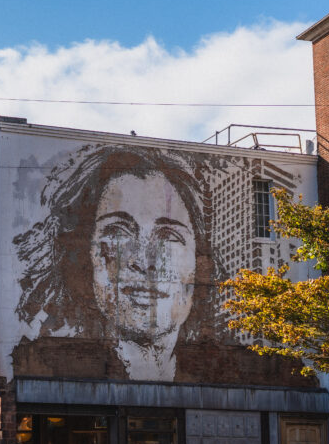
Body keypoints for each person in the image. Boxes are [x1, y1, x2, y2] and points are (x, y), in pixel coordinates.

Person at [13, 145, 226, 383]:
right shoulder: (36, 361)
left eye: (168, 236)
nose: (144, 262)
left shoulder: (232, 368)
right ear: (85, 254)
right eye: (118, 232)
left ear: (200, 261)